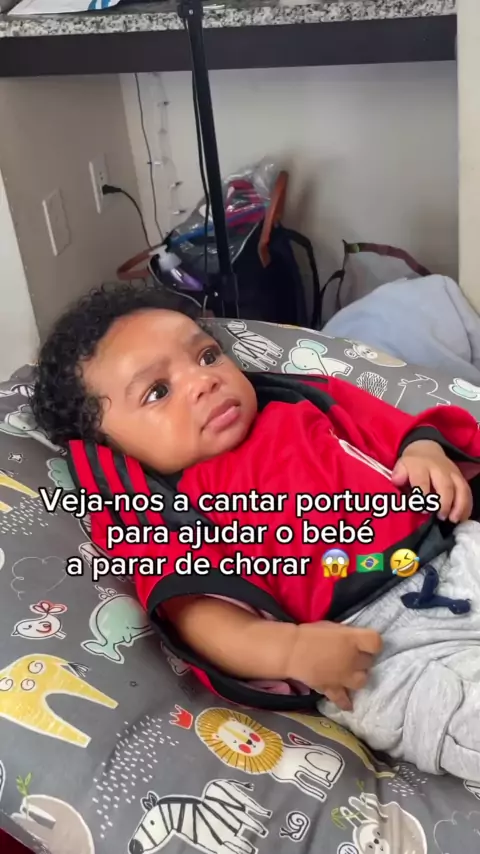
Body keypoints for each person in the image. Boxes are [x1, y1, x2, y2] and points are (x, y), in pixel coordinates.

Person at [32, 283, 480, 783]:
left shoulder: (296, 403)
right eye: (158, 391)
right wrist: (291, 650)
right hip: (366, 648)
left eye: (207, 356)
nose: (204, 381)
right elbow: (203, 620)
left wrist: (424, 452)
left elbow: (395, 429)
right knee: (450, 714)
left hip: (453, 556)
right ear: (108, 447)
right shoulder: (162, 511)